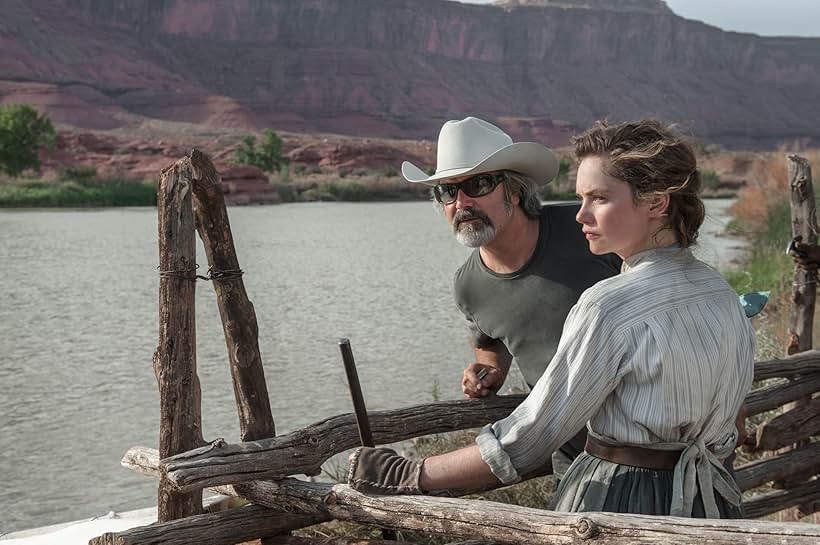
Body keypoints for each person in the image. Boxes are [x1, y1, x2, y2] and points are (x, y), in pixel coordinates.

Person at [349, 119, 756, 518]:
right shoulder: (720, 292)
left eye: (598, 198)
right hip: (711, 502)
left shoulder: (605, 303)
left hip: (621, 503)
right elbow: (732, 414)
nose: (581, 216)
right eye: (447, 190)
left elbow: (527, 439)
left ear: (656, 202)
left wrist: (410, 472)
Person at [400, 116, 620, 479]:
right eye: (448, 191)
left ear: (514, 190)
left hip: (653, 449)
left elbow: (674, 302)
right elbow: (490, 344)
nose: (462, 202)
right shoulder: (469, 285)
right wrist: (488, 371)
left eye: (478, 184)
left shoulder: (589, 229)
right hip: (575, 461)